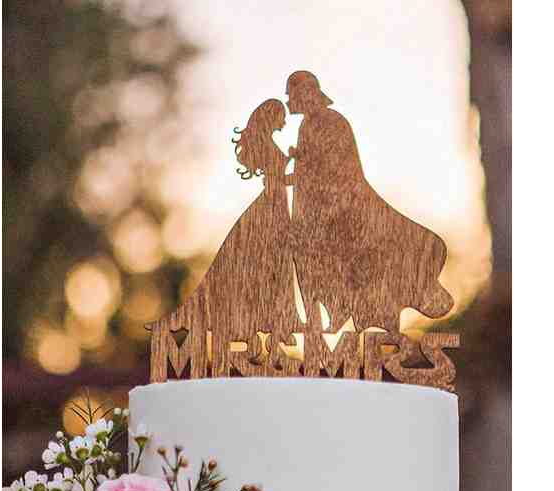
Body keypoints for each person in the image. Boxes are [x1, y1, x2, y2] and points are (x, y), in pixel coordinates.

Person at [286, 71, 454, 333]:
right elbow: (309, 171)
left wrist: (306, 163)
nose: (289, 102)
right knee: (318, 262)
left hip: (341, 210)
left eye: (292, 95)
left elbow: (337, 167)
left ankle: (351, 313)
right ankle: (332, 316)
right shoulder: (307, 125)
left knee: (345, 265)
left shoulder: (332, 122)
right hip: (319, 211)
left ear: (306, 95)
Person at [156, 99, 300, 373]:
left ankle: (273, 334)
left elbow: (280, 177)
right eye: (281, 116)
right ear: (271, 117)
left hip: (275, 206)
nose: (284, 121)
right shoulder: (267, 145)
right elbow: (278, 180)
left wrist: (294, 164)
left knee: (275, 269)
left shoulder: (268, 143)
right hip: (272, 209)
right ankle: (266, 332)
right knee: (270, 269)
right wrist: (300, 167)